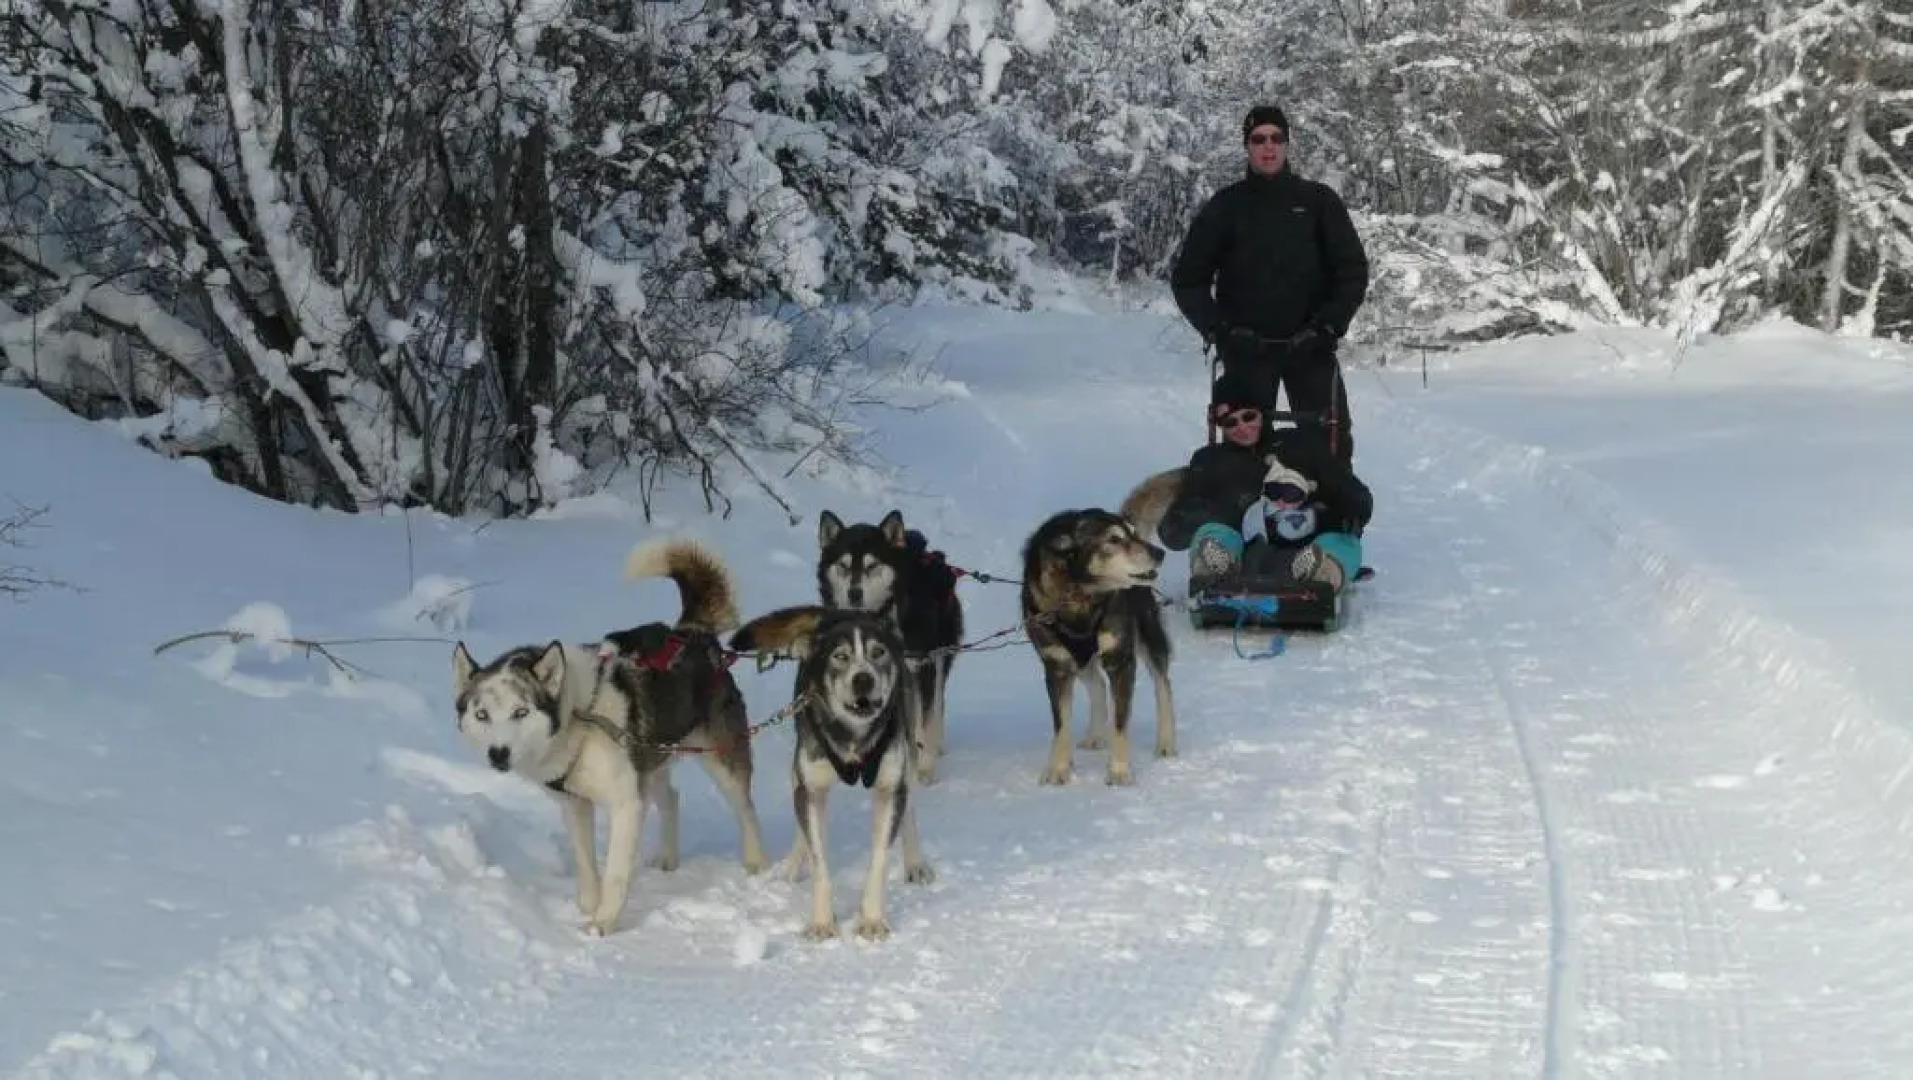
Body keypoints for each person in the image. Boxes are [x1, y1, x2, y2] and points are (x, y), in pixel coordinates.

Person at [1170, 104, 1370, 465]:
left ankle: (1334, 515)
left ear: (1287, 144)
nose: (1268, 146)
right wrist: (1219, 330)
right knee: (1245, 453)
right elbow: (1188, 280)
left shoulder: (1318, 201)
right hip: (1247, 350)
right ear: (1247, 146)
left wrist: (1328, 324)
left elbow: (1352, 270)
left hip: (1310, 346)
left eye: (1276, 138)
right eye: (1258, 138)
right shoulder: (1226, 206)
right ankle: (1245, 516)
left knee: (1329, 446)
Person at [1156, 369, 1372, 596]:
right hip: (1240, 552)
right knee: (1213, 533)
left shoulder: (1299, 445)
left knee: (1342, 543)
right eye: (1230, 422)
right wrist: (1209, 514)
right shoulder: (1210, 460)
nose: (1242, 427)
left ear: (1262, 413)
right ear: (1220, 426)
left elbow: (1355, 494)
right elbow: (1173, 532)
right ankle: (1214, 570)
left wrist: (1335, 514)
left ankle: (1320, 575)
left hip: (1305, 543)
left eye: (1249, 416)